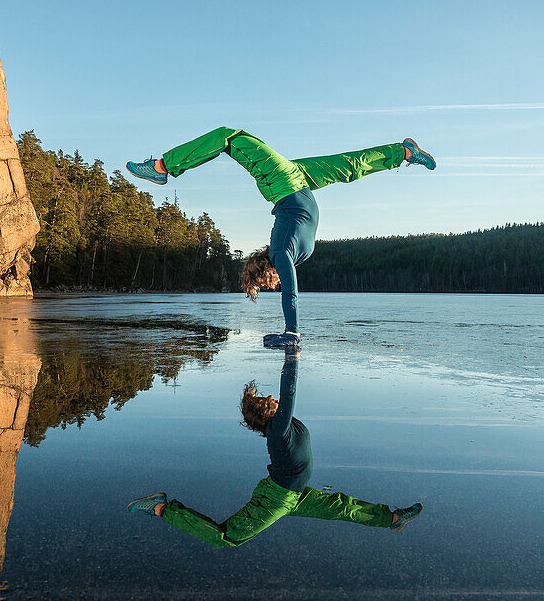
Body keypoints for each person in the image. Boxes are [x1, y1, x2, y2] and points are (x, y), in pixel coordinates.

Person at [126, 128, 436, 344]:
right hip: (299, 182)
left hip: (282, 183)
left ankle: (161, 166)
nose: (273, 285)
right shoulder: (288, 255)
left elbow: (291, 293)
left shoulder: (281, 254)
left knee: (227, 136)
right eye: (267, 285)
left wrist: (292, 332)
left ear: (266, 269)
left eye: (266, 282)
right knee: (349, 167)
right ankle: (404, 152)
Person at [126, 347, 423, 545]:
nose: (275, 399)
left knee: (343, 507)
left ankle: (392, 519)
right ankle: (161, 508)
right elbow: (289, 388)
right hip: (276, 499)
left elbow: (288, 398)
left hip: (292, 494)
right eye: (270, 400)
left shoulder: (282, 424)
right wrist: (291, 354)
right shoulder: (278, 429)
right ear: (269, 410)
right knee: (226, 537)